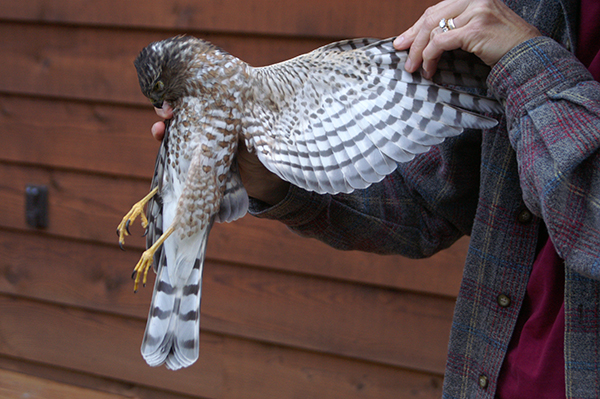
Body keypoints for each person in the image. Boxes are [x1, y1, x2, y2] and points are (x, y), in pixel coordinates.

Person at [150, 0, 600, 396]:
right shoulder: (534, 4)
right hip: (489, 376)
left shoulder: (519, 27)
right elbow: (427, 203)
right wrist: (269, 182)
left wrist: (526, 60)